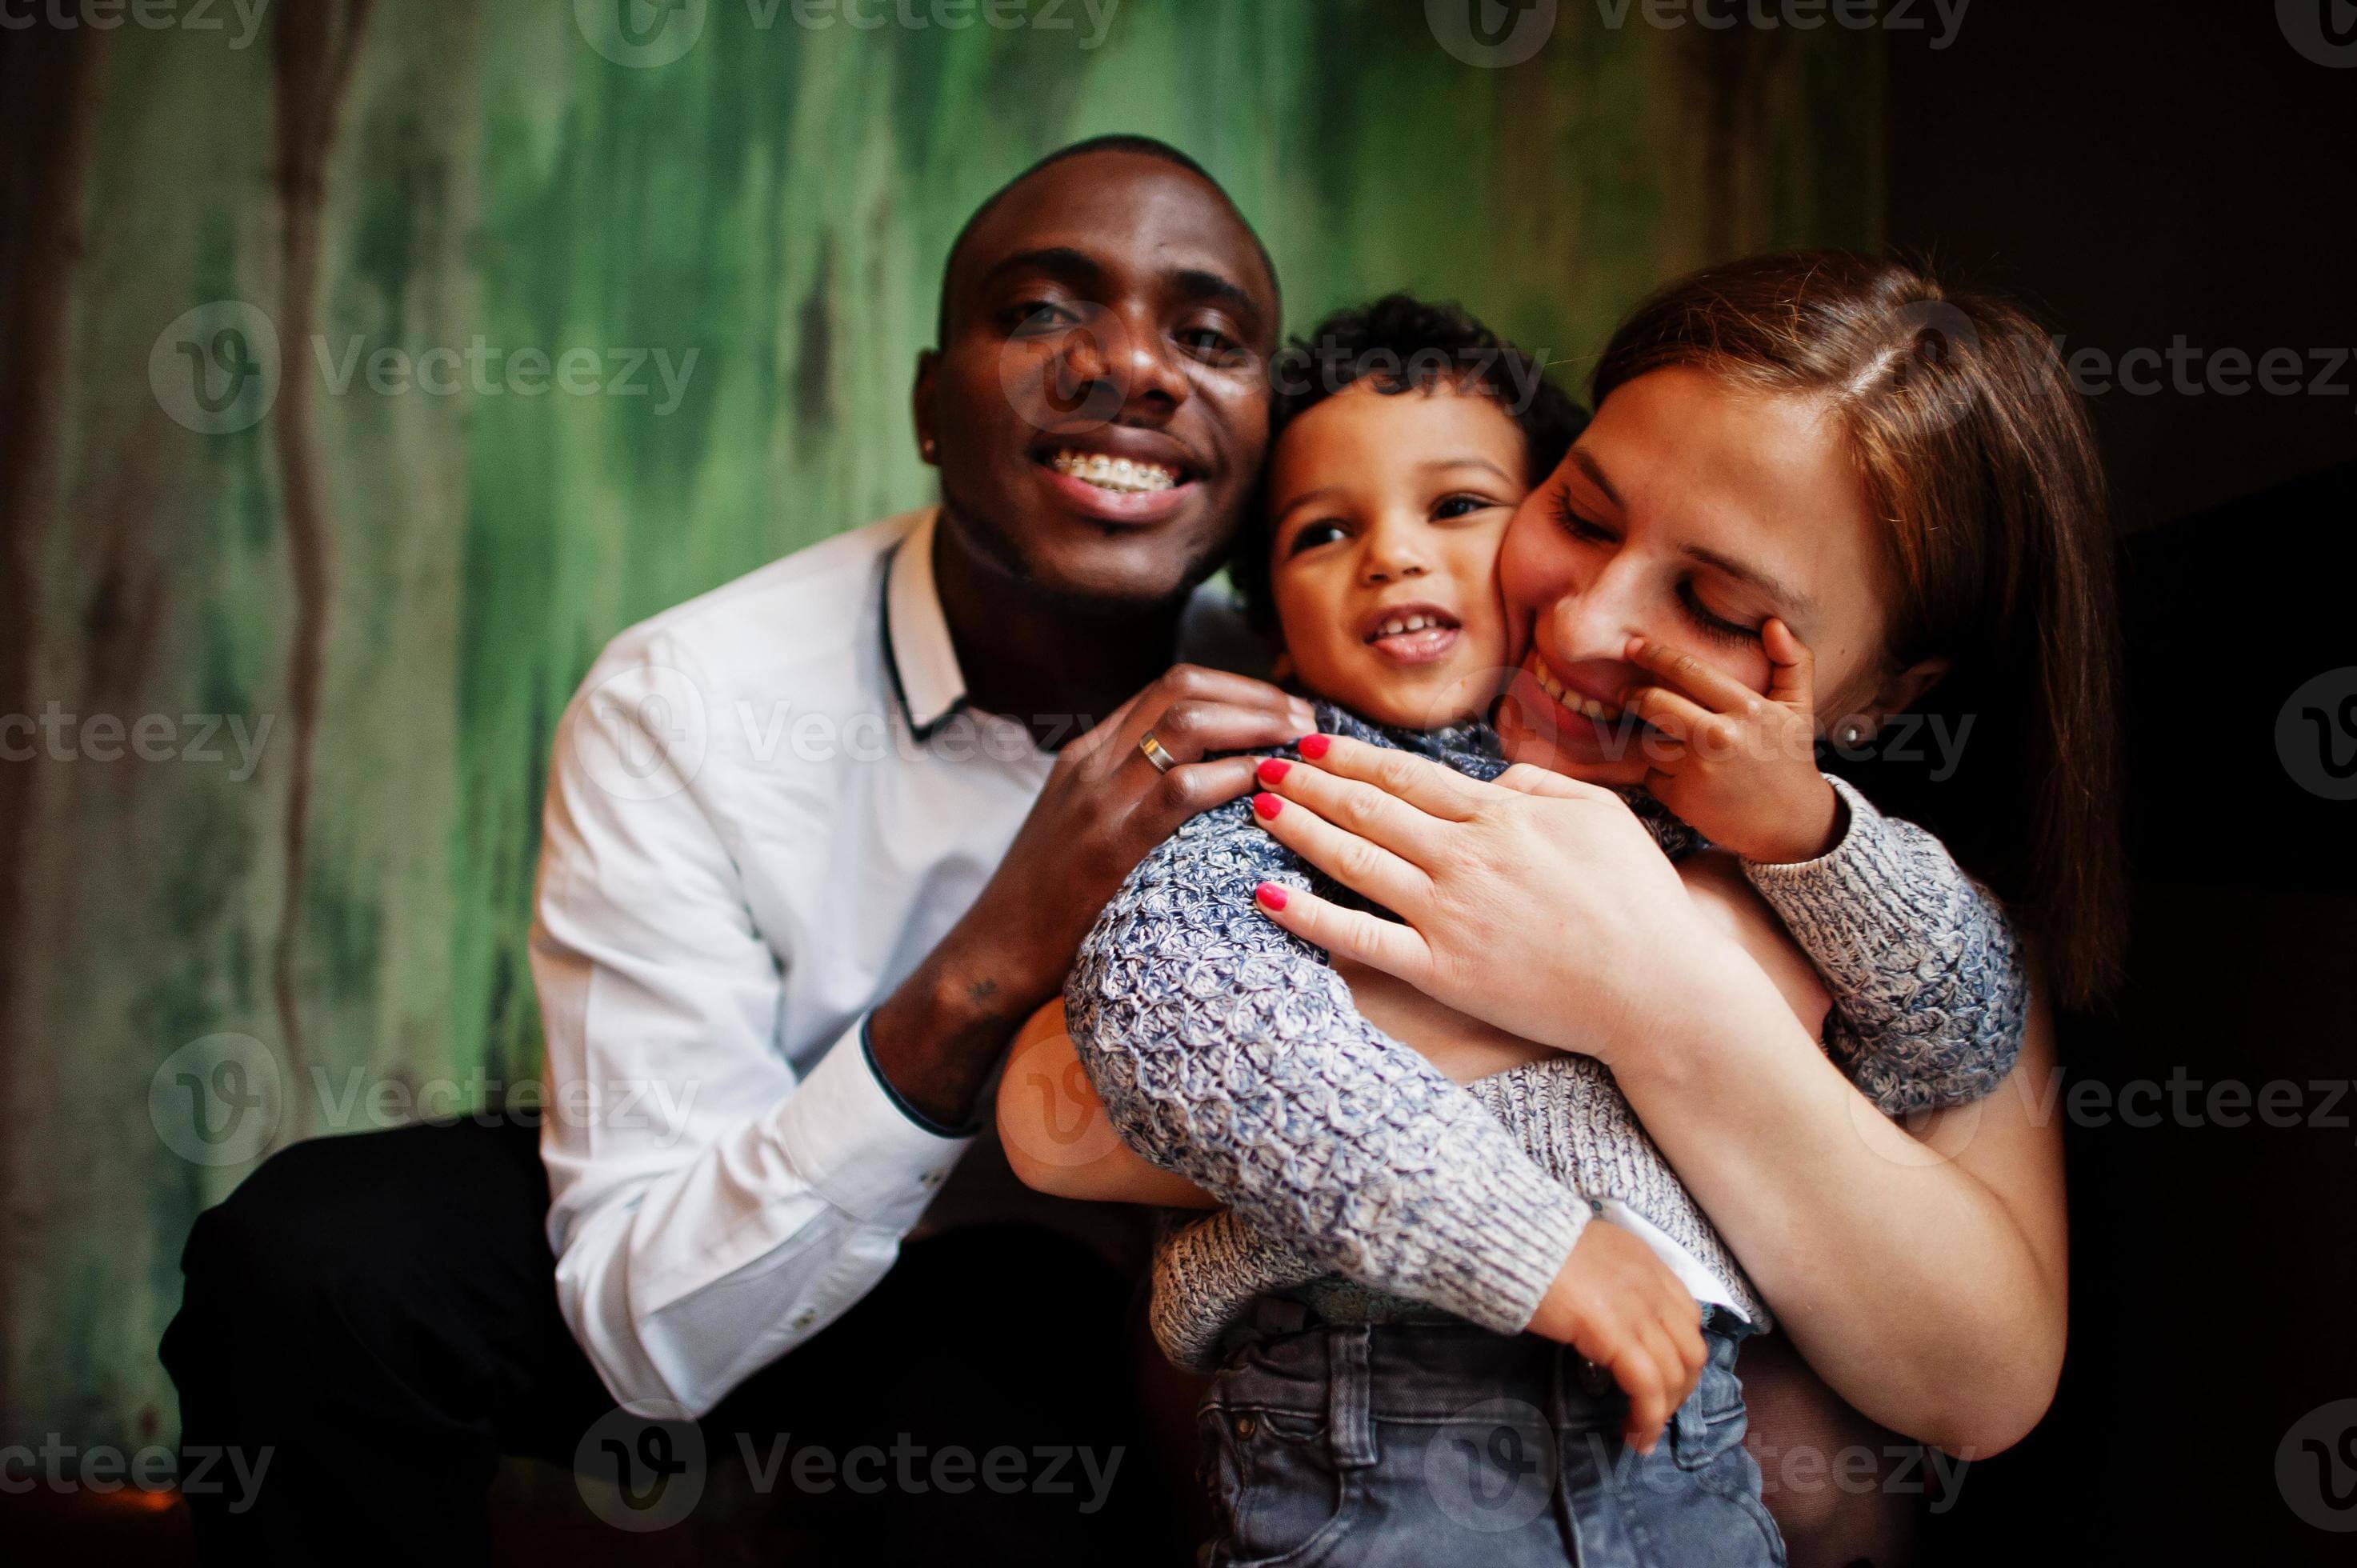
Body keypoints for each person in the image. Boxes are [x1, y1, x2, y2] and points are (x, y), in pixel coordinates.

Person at [159, 134, 1310, 1566]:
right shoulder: (688, 701)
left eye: (1208, 337)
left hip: (1061, 1307)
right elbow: (652, 1329)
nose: (1134, 366)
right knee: (315, 1262)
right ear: (927, 407)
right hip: (731, 1204)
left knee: (1002, 1435)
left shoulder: (1307, 690)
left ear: (1264, 435)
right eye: (1041, 311)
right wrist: (990, 959)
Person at [1002, 290, 2035, 1564]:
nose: (1589, 624)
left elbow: (1953, 1037)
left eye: (1714, 603)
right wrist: (1533, 1238)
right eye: (1586, 517)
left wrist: (1807, 835)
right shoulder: (1324, 782)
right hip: (1391, 1393)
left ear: (1884, 692)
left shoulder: (1754, 834)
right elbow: (1134, 1032)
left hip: (1675, 1446)